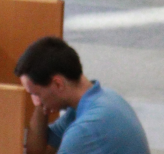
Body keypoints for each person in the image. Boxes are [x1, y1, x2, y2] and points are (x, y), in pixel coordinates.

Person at [15, 37, 150, 154]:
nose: (36, 100)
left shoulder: (86, 128)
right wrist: (41, 106)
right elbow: (38, 151)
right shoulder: (101, 98)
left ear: (57, 84)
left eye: (36, 94)